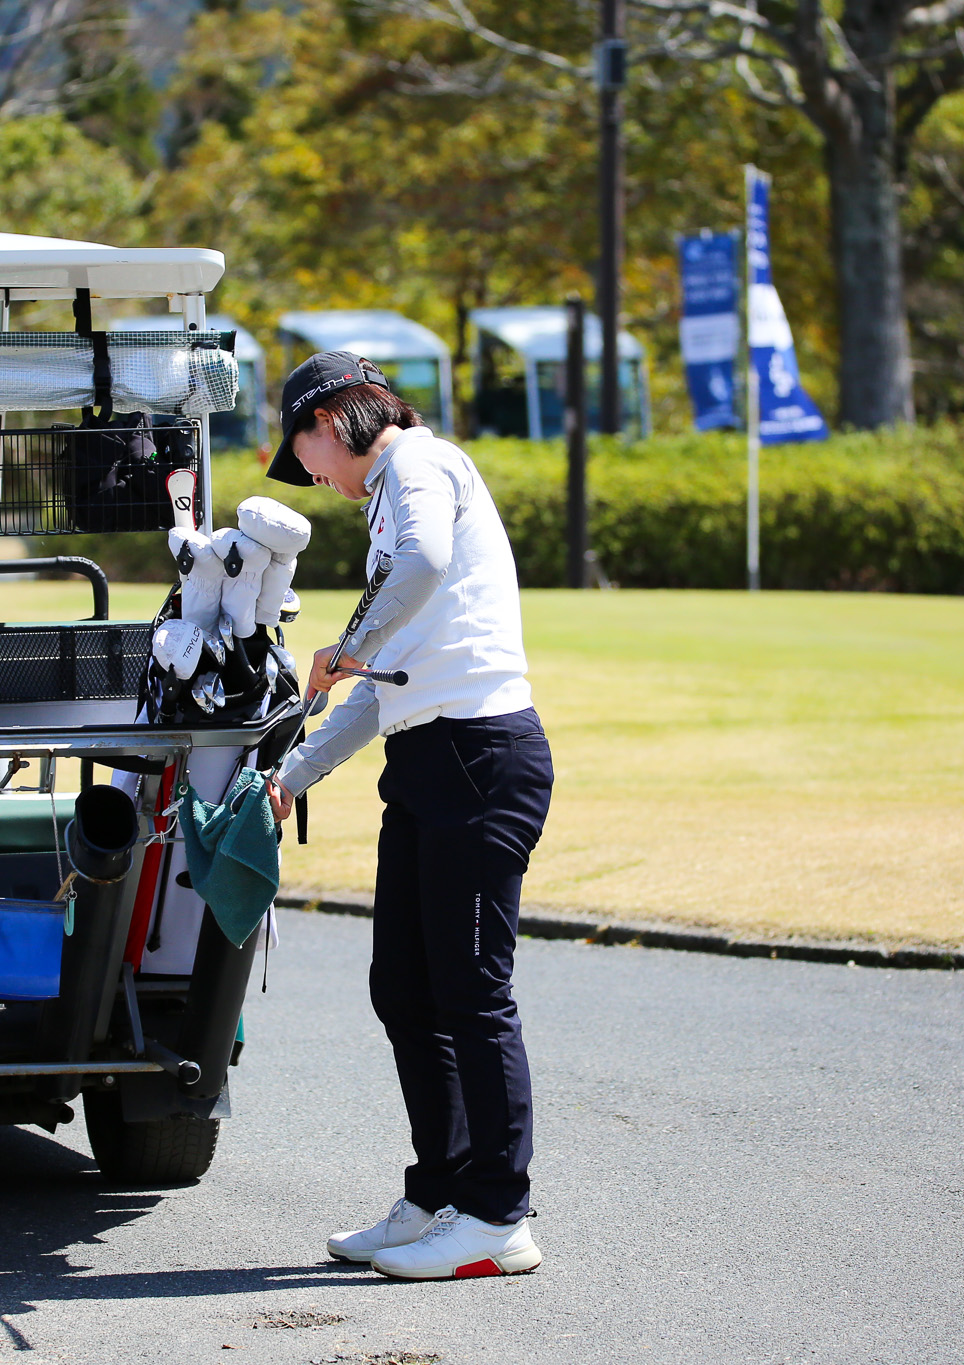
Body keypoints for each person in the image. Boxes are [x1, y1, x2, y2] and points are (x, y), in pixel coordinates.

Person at [263, 351, 553, 1280]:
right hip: (429, 758)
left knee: (471, 991)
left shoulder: (419, 462)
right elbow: (380, 691)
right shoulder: (389, 495)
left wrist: (346, 643)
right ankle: (440, 1194)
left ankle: (498, 1217)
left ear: (333, 418)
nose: (309, 473)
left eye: (303, 450)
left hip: (480, 754)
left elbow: (421, 567)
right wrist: (295, 772)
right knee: (405, 986)